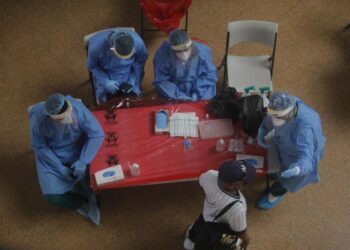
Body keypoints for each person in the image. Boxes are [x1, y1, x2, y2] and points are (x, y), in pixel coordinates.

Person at [29, 93, 105, 225]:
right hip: (52, 155)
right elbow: (40, 147)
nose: (69, 119)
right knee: (53, 197)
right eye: (62, 118)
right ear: (50, 117)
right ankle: (79, 202)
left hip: (78, 148)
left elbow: (97, 134)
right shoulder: (39, 121)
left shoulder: (78, 109)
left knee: (91, 181)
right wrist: (59, 167)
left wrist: (83, 160)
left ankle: (90, 196)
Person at [256, 92, 326, 210]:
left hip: (298, 157)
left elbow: (306, 155)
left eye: (277, 117)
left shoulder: (305, 128)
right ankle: (277, 172)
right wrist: (262, 131)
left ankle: (275, 193)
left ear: (289, 113)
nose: (273, 119)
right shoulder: (282, 103)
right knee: (279, 164)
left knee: (288, 180)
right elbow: (270, 119)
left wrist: (299, 168)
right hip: (286, 146)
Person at [183, 160, 257, 250]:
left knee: (199, 226)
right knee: (211, 242)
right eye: (244, 182)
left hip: (206, 214)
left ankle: (190, 240)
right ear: (233, 185)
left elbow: (201, 183)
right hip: (217, 228)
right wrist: (246, 242)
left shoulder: (209, 175)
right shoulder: (238, 207)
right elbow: (241, 233)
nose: (245, 184)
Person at [153, 29, 217, 101]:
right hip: (174, 87)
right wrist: (180, 96)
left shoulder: (202, 51)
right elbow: (161, 80)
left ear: (191, 46)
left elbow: (210, 74)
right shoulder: (162, 56)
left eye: (186, 50)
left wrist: (197, 92)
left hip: (199, 84)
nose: (184, 54)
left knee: (205, 105)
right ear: (173, 51)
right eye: (179, 52)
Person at [87, 28, 148, 103]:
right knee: (110, 105)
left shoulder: (138, 42)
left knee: (132, 102)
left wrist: (133, 78)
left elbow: (140, 61)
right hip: (107, 75)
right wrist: (106, 82)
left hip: (129, 73)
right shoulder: (97, 47)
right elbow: (93, 66)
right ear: (112, 49)